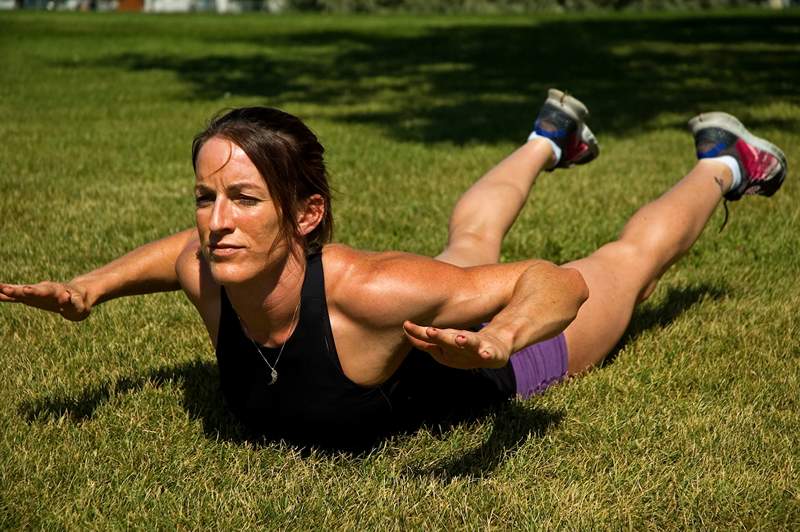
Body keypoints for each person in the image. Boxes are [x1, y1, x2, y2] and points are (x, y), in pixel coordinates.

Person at [0, 90, 787, 450]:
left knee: (623, 260)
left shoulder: (365, 291)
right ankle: (551, 136)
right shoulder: (210, 268)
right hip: (429, 312)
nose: (216, 222)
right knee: (470, 233)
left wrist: (501, 338)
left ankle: (725, 162)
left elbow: (560, 283)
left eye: (243, 199)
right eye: (206, 198)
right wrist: (92, 288)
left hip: (505, 353)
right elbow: (173, 255)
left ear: (305, 216)